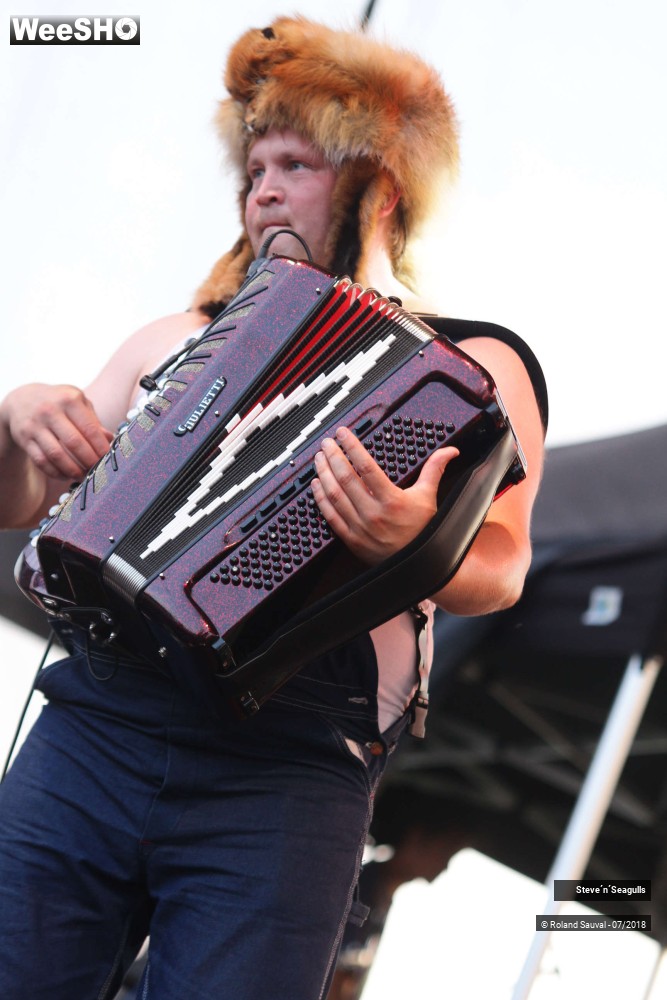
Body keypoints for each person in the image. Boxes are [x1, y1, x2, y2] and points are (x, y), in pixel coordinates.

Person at [0, 16, 547, 1000]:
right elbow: (22, 502)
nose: (262, 186)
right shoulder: (178, 337)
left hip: (288, 769)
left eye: (293, 160)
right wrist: (13, 421)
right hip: (96, 725)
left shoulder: (474, 363)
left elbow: (503, 567)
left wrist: (409, 547)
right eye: (253, 167)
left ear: (378, 186)